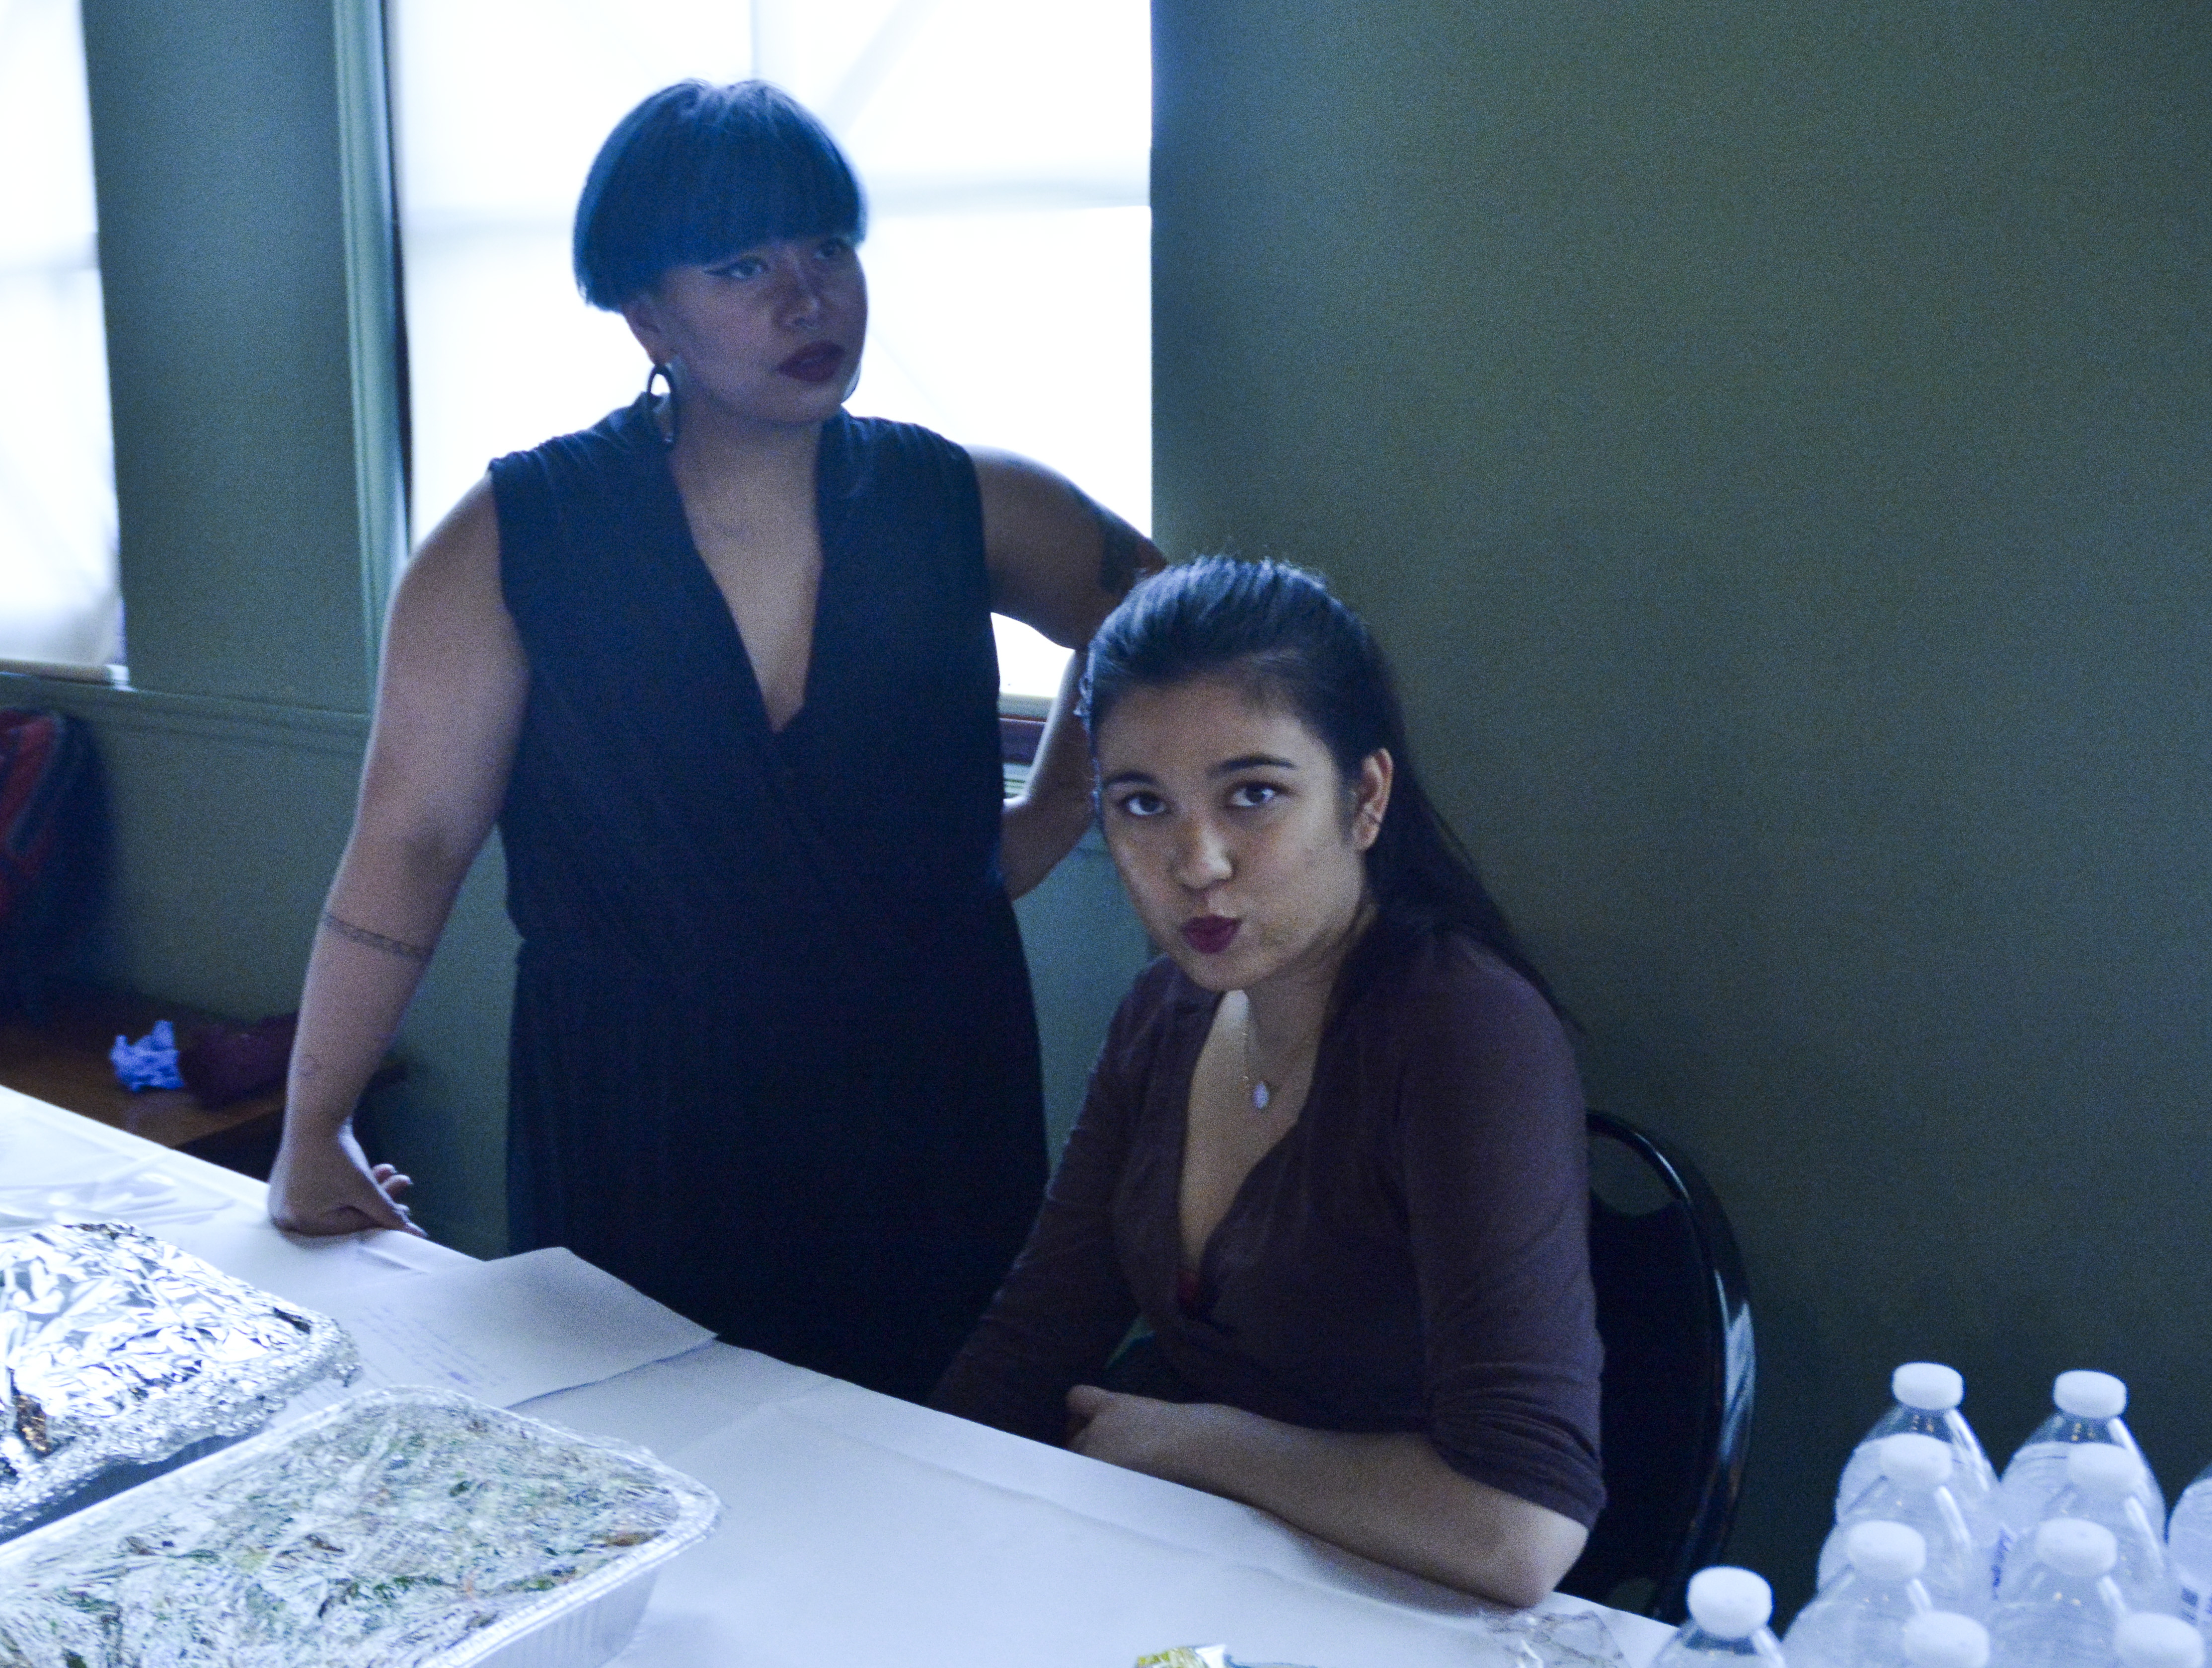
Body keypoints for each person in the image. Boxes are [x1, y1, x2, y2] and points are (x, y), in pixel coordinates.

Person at [267, 80, 1159, 1400]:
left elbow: (1165, 619)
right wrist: (313, 1121)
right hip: (638, 1116)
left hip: (929, 1091)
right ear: (647, 315)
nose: (808, 299)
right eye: (743, 265)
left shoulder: (962, 500)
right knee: (653, 1453)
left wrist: (1061, 803)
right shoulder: (514, 538)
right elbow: (412, 836)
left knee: (949, 1442)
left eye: (829, 248)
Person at [930, 558, 1602, 1607]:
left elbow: (1520, 1528)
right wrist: (907, 1507)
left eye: (1254, 795)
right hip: (1184, 1573)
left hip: (1392, 1605)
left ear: (1364, 797)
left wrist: (1194, 1441)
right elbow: (1030, 1343)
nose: (1196, 861)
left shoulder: (1465, 1033)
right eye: (1142, 804)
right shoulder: (1166, 1009)